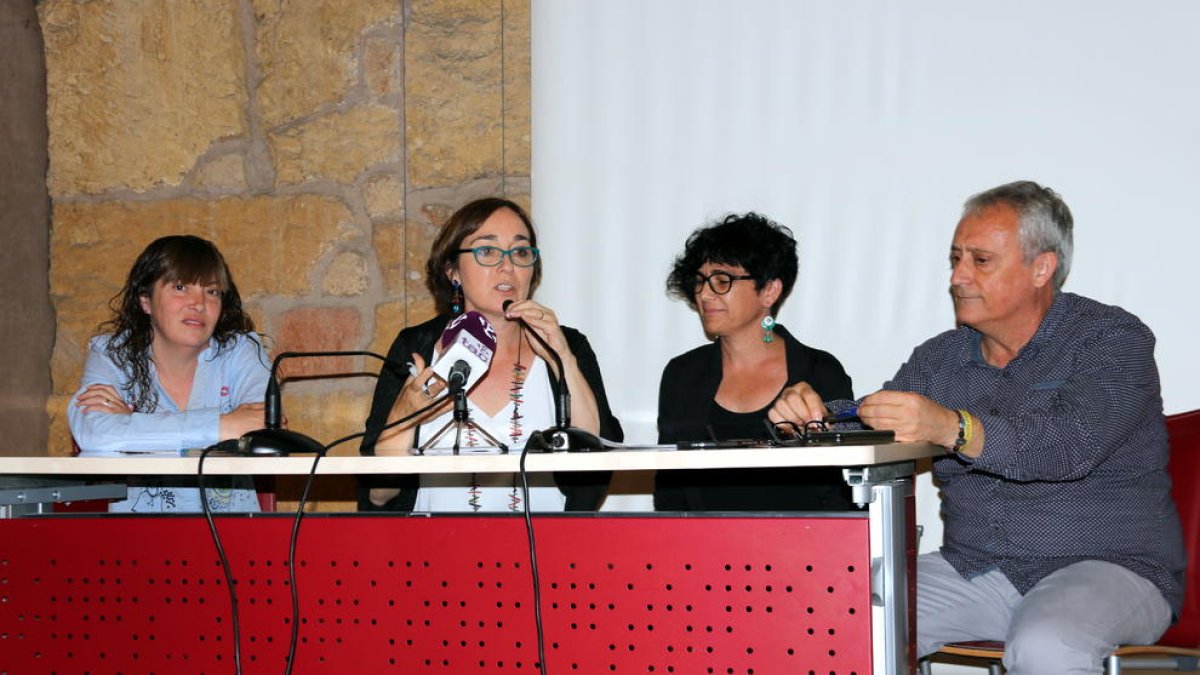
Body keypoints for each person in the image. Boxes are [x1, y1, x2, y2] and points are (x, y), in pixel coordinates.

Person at [769, 181, 1185, 674]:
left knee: (1048, 645)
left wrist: (952, 427)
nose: (958, 277)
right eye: (955, 258)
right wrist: (811, 417)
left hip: (1109, 568)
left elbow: (1071, 445)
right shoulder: (940, 358)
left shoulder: (1112, 340)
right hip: (977, 569)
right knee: (831, 617)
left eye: (980, 260)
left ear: (1041, 267)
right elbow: (875, 418)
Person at [359, 197, 623, 512]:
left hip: (543, 554)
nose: (507, 266)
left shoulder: (569, 344)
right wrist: (402, 420)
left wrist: (562, 358)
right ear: (452, 271)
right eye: (487, 251)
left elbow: (595, 469)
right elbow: (378, 495)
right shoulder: (416, 347)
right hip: (430, 553)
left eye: (521, 252)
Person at [655, 212, 854, 511]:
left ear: (770, 290)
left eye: (722, 280)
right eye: (700, 281)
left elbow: (841, 490)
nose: (705, 294)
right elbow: (670, 491)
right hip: (702, 550)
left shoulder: (820, 371)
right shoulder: (682, 375)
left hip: (803, 549)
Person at [68, 235, 270, 513]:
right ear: (146, 301)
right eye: (180, 287)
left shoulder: (240, 351)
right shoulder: (111, 353)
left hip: (231, 542)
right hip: (136, 545)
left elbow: (262, 429)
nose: (198, 303)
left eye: (212, 292)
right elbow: (93, 433)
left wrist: (133, 426)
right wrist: (222, 425)